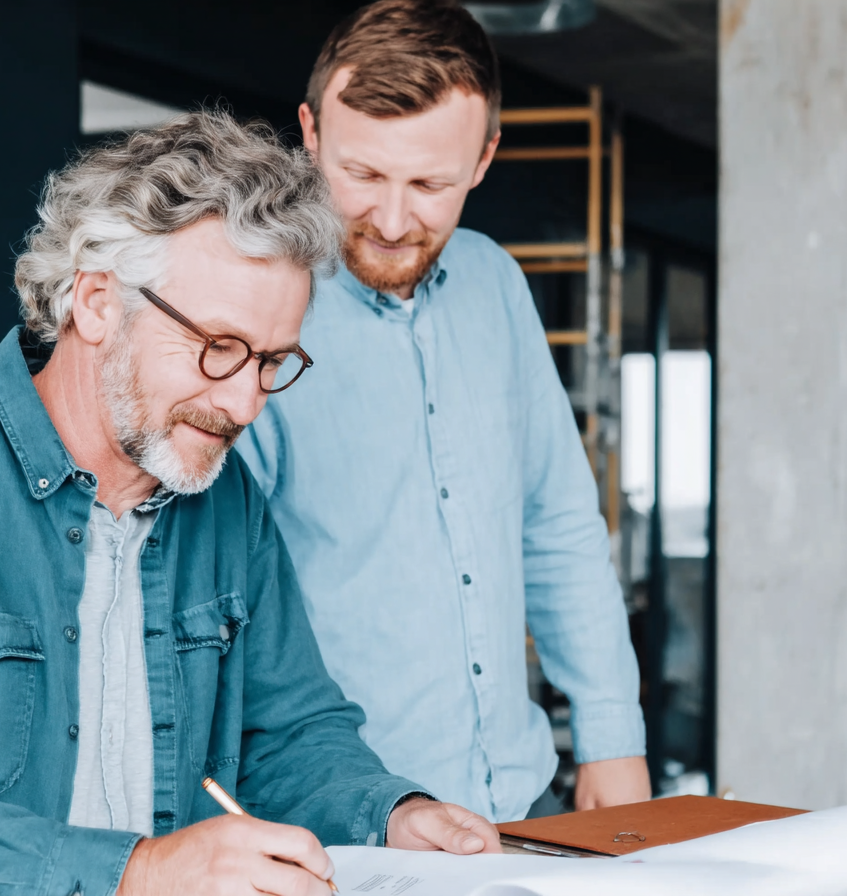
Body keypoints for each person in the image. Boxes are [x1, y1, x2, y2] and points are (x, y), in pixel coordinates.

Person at [0, 111, 501, 896]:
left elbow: (287, 733)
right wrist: (138, 873)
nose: (244, 403)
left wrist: (390, 814)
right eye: (218, 348)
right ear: (94, 302)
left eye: (270, 361)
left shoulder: (227, 505)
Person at [235, 0, 650, 822]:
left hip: (517, 806)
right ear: (311, 134)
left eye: (429, 184)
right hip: (340, 825)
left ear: (485, 157)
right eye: (363, 176)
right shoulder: (251, 310)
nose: (393, 221)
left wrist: (613, 738)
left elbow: (557, 526)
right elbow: (210, 593)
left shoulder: (497, 285)